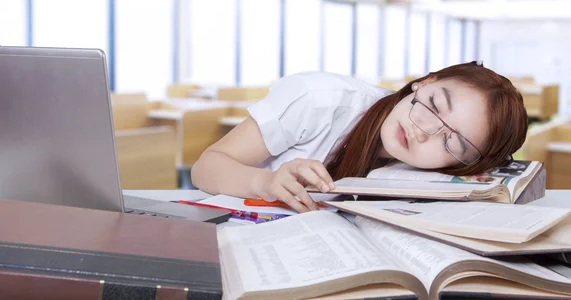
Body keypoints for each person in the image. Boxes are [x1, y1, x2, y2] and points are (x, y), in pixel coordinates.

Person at [191, 61, 528, 213]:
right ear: (423, 82)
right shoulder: (318, 98)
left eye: (451, 142)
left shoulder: (430, 176)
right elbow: (205, 167)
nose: (423, 132)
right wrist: (266, 183)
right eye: (434, 105)